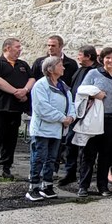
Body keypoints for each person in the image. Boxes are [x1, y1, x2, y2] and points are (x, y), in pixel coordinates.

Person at [0, 38, 34, 180]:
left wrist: (25, 90)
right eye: (17, 47)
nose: (20, 49)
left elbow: (32, 79)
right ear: (7, 48)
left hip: (14, 109)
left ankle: (6, 167)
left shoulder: (22, 65)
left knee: (10, 140)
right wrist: (16, 92)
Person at [26, 56, 75, 200]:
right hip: (42, 130)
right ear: (50, 69)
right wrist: (63, 118)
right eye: (60, 65)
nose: (64, 68)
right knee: (39, 158)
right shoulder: (41, 85)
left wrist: (71, 117)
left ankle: (47, 185)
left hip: (57, 130)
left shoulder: (63, 85)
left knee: (52, 159)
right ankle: (33, 187)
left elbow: (70, 103)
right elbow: (42, 108)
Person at [78, 47, 112, 197]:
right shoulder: (93, 73)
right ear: (102, 59)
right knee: (89, 153)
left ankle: (103, 186)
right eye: (107, 58)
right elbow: (81, 89)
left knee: (106, 154)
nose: (110, 61)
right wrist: (95, 93)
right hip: (96, 118)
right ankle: (83, 186)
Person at [58, 45, 101, 186]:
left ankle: (84, 178)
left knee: (86, 147)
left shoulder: (97, 71)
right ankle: (70, 173)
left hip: (89, 113)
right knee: (70, 143)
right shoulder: (79, 70)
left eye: (80, 54)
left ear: (88, 56)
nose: (78, 57)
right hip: (75, 112)